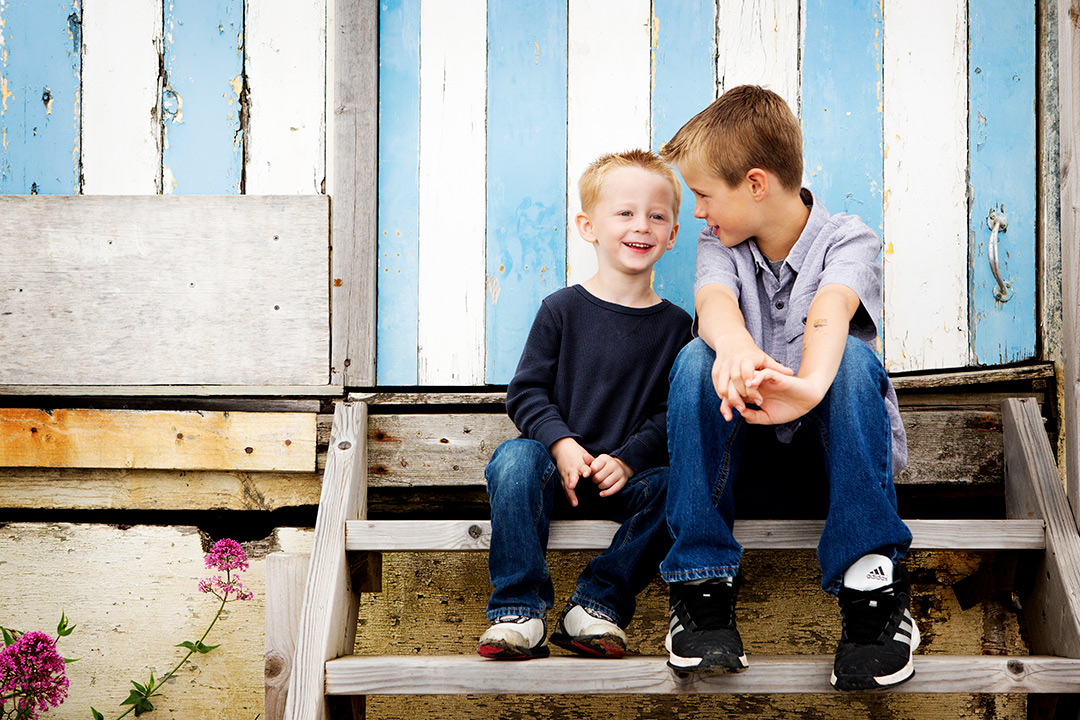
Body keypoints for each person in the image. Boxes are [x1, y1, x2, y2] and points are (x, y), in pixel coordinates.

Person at [657, 85, 917, 691]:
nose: (697, 211)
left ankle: (872, 594)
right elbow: (714, 300)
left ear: (755, 184)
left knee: (851, 359)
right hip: (742, 462)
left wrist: (806, 387)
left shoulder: (849, 239)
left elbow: (831, 310)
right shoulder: (719, 244)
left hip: (833, 471)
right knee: (698, 357)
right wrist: (740, 349)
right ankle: (701, 590)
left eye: (701, 195)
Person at [477, 149, 693, 661]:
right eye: (624, 212)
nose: (642, 225)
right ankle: (518, 611)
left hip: (625, 480)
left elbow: (671, 412)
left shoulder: (677, 327)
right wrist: (561, 444)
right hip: (554, 472)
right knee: (513, 459)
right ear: (587, 226)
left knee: (681, 485)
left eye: (657, 216)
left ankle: (598, 607)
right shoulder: (561, 309)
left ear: (673, 234)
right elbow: (525, 392)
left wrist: (630, 457)